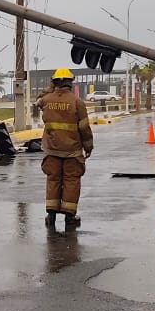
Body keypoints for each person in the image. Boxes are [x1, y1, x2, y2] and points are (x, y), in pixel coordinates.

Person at [36, 67, 94, 230]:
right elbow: (84, 128)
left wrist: (49, 91)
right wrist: (88, 146)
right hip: (72, 151)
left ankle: (51, 216)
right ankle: (70, 216)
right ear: (70, 82)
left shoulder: (46, 100)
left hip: (52, 149)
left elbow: (38, 101)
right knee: (71, 181)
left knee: (53, 180)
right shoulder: (77, 102)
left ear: (54, 82)